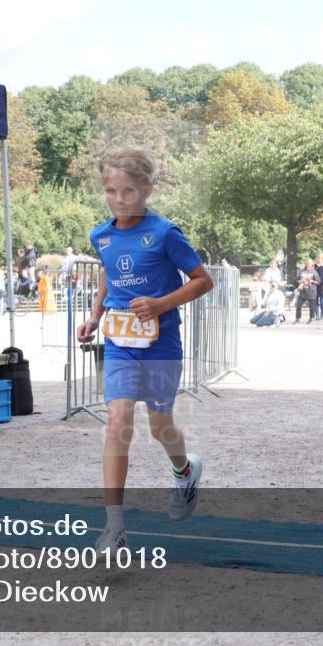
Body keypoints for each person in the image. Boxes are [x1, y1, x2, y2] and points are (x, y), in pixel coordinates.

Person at [76, 146, 214, 554]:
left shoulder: (166, 232)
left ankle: (184, 472)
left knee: (159, 427)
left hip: (161, 343)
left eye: (128, 191)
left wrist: (160, 304)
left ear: (147, 189)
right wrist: (95, 316)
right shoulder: (100, 235)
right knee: (118, 422)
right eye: (111, 191)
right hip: (120, 344)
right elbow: (108, 275)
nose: (119, 200)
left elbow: (203, 280)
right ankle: (114, 528)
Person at [293, 259, 320, 324]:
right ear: (306, 264)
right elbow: (296, 281)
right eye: (307, 263)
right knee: (298, 305)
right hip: (303, 290)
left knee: (311, 306)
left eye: (310, 263)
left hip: (311, 291)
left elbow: (318, 282)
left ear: (312, 264)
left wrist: (312, 281)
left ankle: (311, 318)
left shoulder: (314, 272)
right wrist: (301, 281)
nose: (308, 264)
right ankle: (297, 318)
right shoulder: (302, 271)